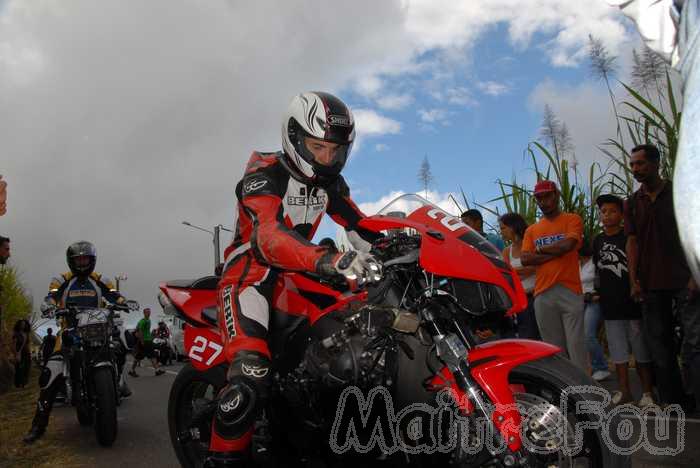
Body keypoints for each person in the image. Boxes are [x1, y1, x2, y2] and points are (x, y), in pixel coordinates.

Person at [208, 91, 382, 466]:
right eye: (317, 147)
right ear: (293, 136)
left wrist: (404, 244)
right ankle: (220, 459)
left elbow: (360, 225)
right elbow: (267, 236)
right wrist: (328, 259)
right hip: (250, 276)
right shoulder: (263, 171)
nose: (327, 158)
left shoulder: (331, 184)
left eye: (335, 150)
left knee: (357, 349)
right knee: (250, 376)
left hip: (303, 275)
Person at [23, 241, 131, 443]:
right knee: (50, 373)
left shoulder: (101, 279)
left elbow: (115, 295)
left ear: (93, 261)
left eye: (86, 259)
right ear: (71, 262)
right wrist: (49, 305)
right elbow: (51, 296)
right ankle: (38, 426)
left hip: (98, 330)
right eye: (78, 260)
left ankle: (119, 382)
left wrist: (124, 303)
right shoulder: (62, 279)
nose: (82, 263)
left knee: (122, 344)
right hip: (70, 331)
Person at [625, 144, 694, 407]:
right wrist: (634, 280)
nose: (635, 169)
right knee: (660, 348)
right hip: (651, 283)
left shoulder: (680, 193)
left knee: (694, 343)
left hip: (685, 279)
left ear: (656, 163)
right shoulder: (632, 203)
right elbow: (632, 242)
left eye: (640, 164)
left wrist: (694, 274)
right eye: (632, 165)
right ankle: (675, 402)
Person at [594, 194, 655, 407]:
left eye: (612, 211)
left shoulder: (628, 238)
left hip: (632, 303)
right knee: (618, 352)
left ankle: (647, 392)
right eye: (603, 212)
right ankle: (624, 391)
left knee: (640, 350)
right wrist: (597, 293)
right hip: (610, 305)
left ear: (621, 214)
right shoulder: (598, 240)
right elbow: (597, 271)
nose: (607, 215)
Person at [521, 180, 587, 371]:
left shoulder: (572, 219)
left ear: (556, 196)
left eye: (547, 196)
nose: (543, 201)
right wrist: (556, 251)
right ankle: (566, 392)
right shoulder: (531, 230)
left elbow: (568, 246)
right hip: (542, 292)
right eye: (539, 198)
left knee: (576, 345)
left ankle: (587, 393)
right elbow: (525, 259)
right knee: (553, 349)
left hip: (570, 289)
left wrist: (539, 250)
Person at [499, 213, 540, 340]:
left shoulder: (531, 243)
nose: (501, 232)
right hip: (521, 299)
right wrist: (524, 271)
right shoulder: (507, 251)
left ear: (512, 227)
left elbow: (537, 267)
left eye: (503, 228)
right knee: (527, 335)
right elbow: (506, 274)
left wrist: (515, 272)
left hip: (537, 294)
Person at [580, 243, 611, 381]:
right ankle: (590, 367)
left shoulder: (595, 262)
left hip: (593, 301)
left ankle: (602, 367)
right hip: (578, 301)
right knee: (580, 337)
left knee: (589, 335)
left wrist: (599, 296)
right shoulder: (575, 264)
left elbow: (605, 280)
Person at [129, 308, 165, 377]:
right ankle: (157, 370)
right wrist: (142, 340)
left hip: (147, 340)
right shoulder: (143, 321)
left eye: (149, 312)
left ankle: (132, 371)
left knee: (139, 357)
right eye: (147, 312)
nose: (149, 313)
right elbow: (139, 331)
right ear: (144, 313)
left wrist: (152, 337)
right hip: (145, 341)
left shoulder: (148, 320)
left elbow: (139, 329)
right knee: (152, 356)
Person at [13, 319, 31, 388]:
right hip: (19, 353)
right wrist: (17, 354)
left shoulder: (26, 334)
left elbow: (28, 344)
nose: (23, 325)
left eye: (24, 324)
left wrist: (30, 352)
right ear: (19, 325)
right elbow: (14, 345)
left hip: (27, 352)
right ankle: (18, 384)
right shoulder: (16, 334)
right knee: (19, 369)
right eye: (21, 324)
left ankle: (24, 383)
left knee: (27, 368)